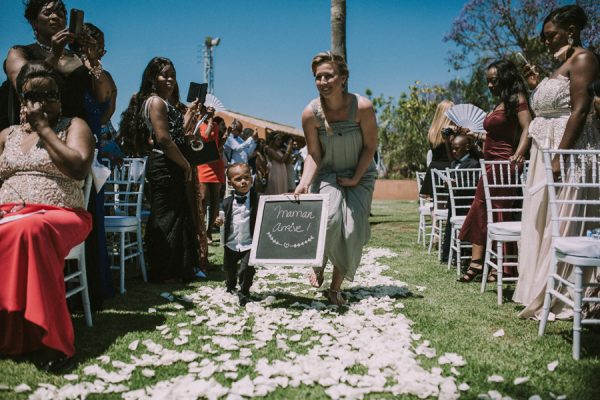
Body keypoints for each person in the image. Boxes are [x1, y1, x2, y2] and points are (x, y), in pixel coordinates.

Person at [0, 61, 94, 371]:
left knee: (30, 228)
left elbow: (79, 167)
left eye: (49, 95)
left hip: (61, 214)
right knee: (21, 227)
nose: (41, 103)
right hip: (10, 215)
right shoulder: (7, 135)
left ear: (60, 97)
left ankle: (51, 340)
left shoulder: (74, 126)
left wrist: (44, 129)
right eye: (33, 96)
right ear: (22, 100)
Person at [513, 5, 600, 318]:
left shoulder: (584, 59)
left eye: (551, 35)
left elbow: (579, 110)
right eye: (544, 37)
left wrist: (560, 156)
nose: (546, 41)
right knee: (543, 220)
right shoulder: (563, 64)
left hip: (570, 153)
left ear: (571, 31)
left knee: (562, 220)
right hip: (546, 151)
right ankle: (543, 285)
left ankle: (569, 292)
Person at [294, 51, 378, 306]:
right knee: (330, 218)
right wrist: (304, 181)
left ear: (343, 77)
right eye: (318, 77)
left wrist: (355, 179)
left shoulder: (362, 107)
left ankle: (335, 289)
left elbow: (369, 148)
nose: (322, 81)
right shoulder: (310, 113)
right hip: (328, 173)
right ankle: (318, 264)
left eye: (328, 75)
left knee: (351, 228)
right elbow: (314, 154)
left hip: (360, 174)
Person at [123, 56, 200, 283]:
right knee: (165, 217)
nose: (170, 79)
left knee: (177, 215)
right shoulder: (155, 102)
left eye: (173, 76)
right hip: (164, 164)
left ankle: (176, 268)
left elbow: (175, 135)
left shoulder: (164, 103)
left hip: (170, 163)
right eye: (164, 75)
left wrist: (188, 118)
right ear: (152, 77)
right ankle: (162, 269)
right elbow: (164, 140)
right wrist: (185, 164)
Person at [457, 59, 532, 282]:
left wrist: (519, 153)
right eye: (488, 82)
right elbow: (491, 137)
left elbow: (528, 127)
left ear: (505, 79)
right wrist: (474, 135)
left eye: (494, 81)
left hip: (505, 166)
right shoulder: (498, 104)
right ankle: (479, 263)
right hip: (488, 166)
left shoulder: (517, 99)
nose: (490, 85)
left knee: (499, 213)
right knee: (480, 210)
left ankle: (502, 267)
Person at [3, 0, 113, 127]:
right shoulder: (19, 52)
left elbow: (104, 97)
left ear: (66, 21)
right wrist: (55, 55)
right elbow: (25, 87)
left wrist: (94, 62)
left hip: (75, 132)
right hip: (37, 131)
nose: (55, 17)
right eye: (47, 13)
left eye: (60, 14)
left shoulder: (77, 57)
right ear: (34, 22)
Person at [214, 163, 258, 307]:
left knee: (247, 269)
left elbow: (271, 208)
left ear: (251, 179)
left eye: (247, 177)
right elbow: (220, 218)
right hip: (231, 243)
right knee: (229, 269)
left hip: (249, 242)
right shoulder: (226, 202)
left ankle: (244, 291)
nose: (243, 181)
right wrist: (218, 221)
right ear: (230, 182)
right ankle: (230, 284)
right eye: (238, 179)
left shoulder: (257, 199)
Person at [441, 135, 481, 263]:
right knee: (449, 227)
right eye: (452, 149)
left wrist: (456, 184)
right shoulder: (454, 163)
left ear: (467, 147)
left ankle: (462, 253)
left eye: (456, 149)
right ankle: (447, 255)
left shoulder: (474, 164)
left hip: (465, 204)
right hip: (454, 202)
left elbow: (473, 183)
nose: (453, 152)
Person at [193, 105, 225, 245]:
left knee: (215, 200)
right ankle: (200, 231)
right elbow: (205, 137)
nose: (210, 110)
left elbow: (214, 141)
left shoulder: (216, 125)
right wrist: (209, 121)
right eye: (208, 108)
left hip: (215, 162)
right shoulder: (198, 123)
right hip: (202, 163)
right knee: (203, 198)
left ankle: (209, 231)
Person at [419, 100, 454, 197]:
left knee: (437, 204)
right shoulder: (451, 131)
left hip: (434, 169)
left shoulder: (432, 131)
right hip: (448, 169)